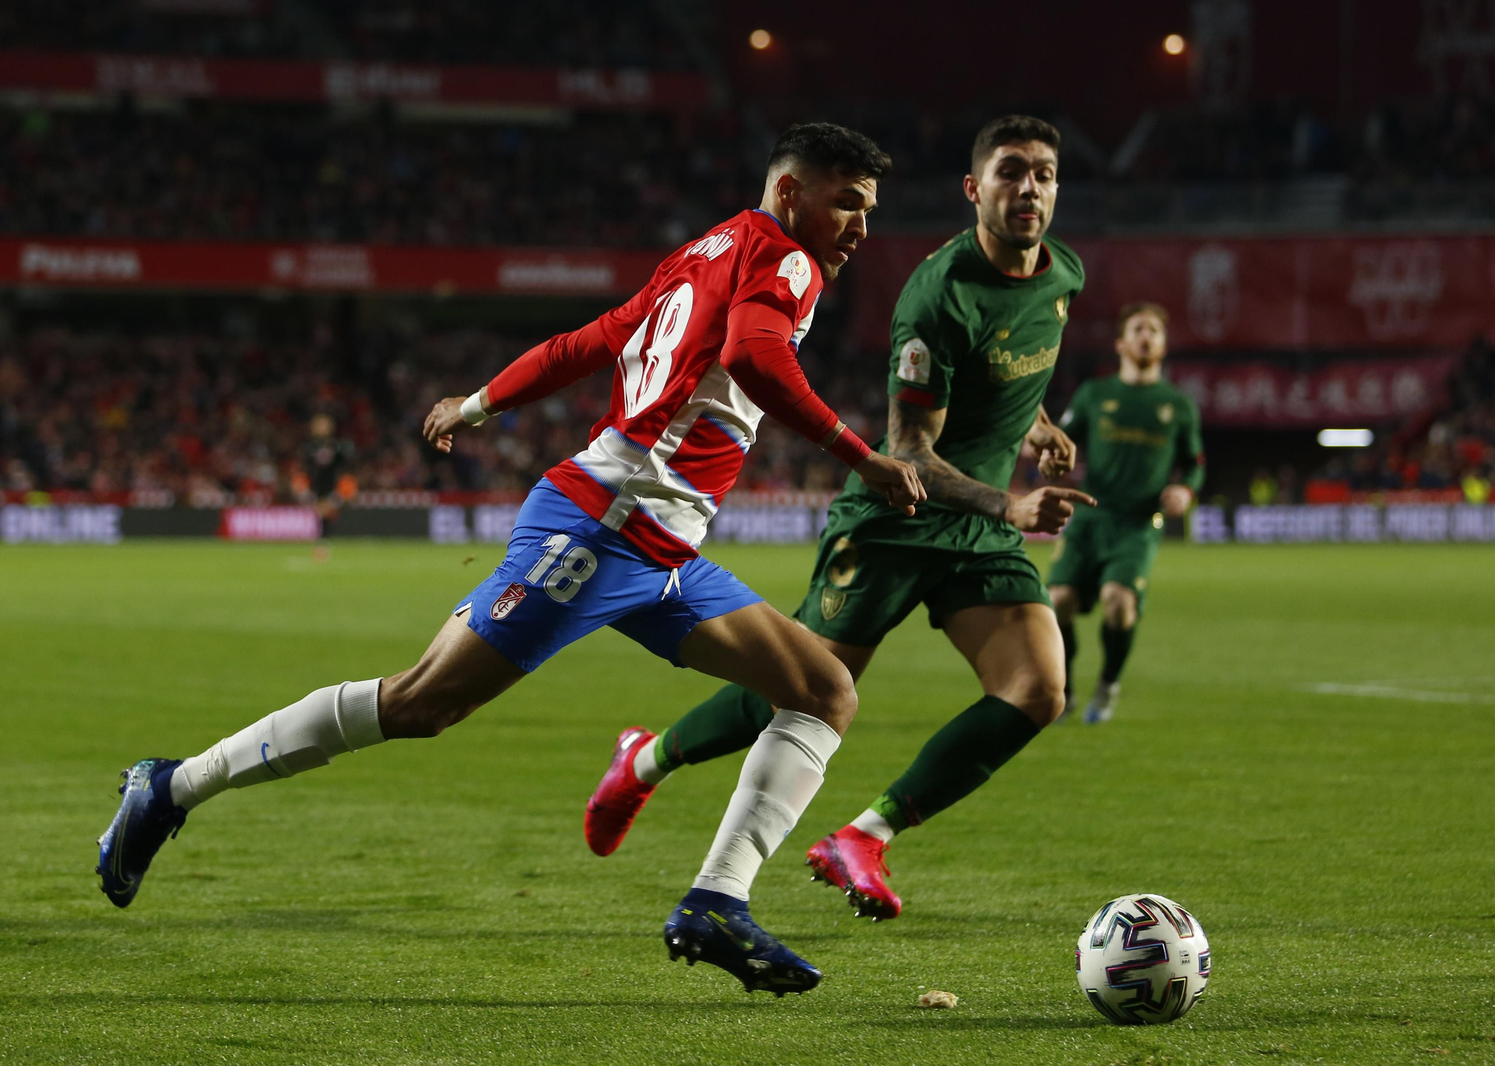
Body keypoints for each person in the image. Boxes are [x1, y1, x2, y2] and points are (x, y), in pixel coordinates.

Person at [96, 123, 925, 997]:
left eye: (869, 210)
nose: (860, 228)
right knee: (420, 702)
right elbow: (752, 357)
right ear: (792, 192)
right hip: (602, 534)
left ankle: (717, 901)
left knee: (823, 689)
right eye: (848, 203)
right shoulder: (783, 259)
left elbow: (592, 339)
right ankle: (172, 786)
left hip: (660, 548)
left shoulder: (703, 250)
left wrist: (480, 402)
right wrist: (861, 456)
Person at [585, 115, 1093, 921]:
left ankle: (864, 835)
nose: (1028, 188)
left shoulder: (1062, 274)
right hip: (897, 517)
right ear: (974, 189)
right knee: (800, 688)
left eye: (1043, 173)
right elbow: (912, 451)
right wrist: (1013, 502)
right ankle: (644, 759)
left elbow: (1003, 379)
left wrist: (1039, 425)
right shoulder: (938, 295)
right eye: (1009, 172)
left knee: (1037, 688)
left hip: (979, 530)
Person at [1047, 302, 1204, 723]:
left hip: (1137, 524)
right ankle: (1064, 689)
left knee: (1118, 602)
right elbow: (1061, 441)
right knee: (1057, 599)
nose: (1146, 336)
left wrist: (1185, 491)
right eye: (1138, 328)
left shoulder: (1177, 405)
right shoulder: (1095, 395)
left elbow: (1195, 463)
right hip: (1090, 516)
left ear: (1164, 345)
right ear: (1121, 342)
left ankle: (1108, 685)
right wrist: (1046, 453)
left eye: (1154, 330)